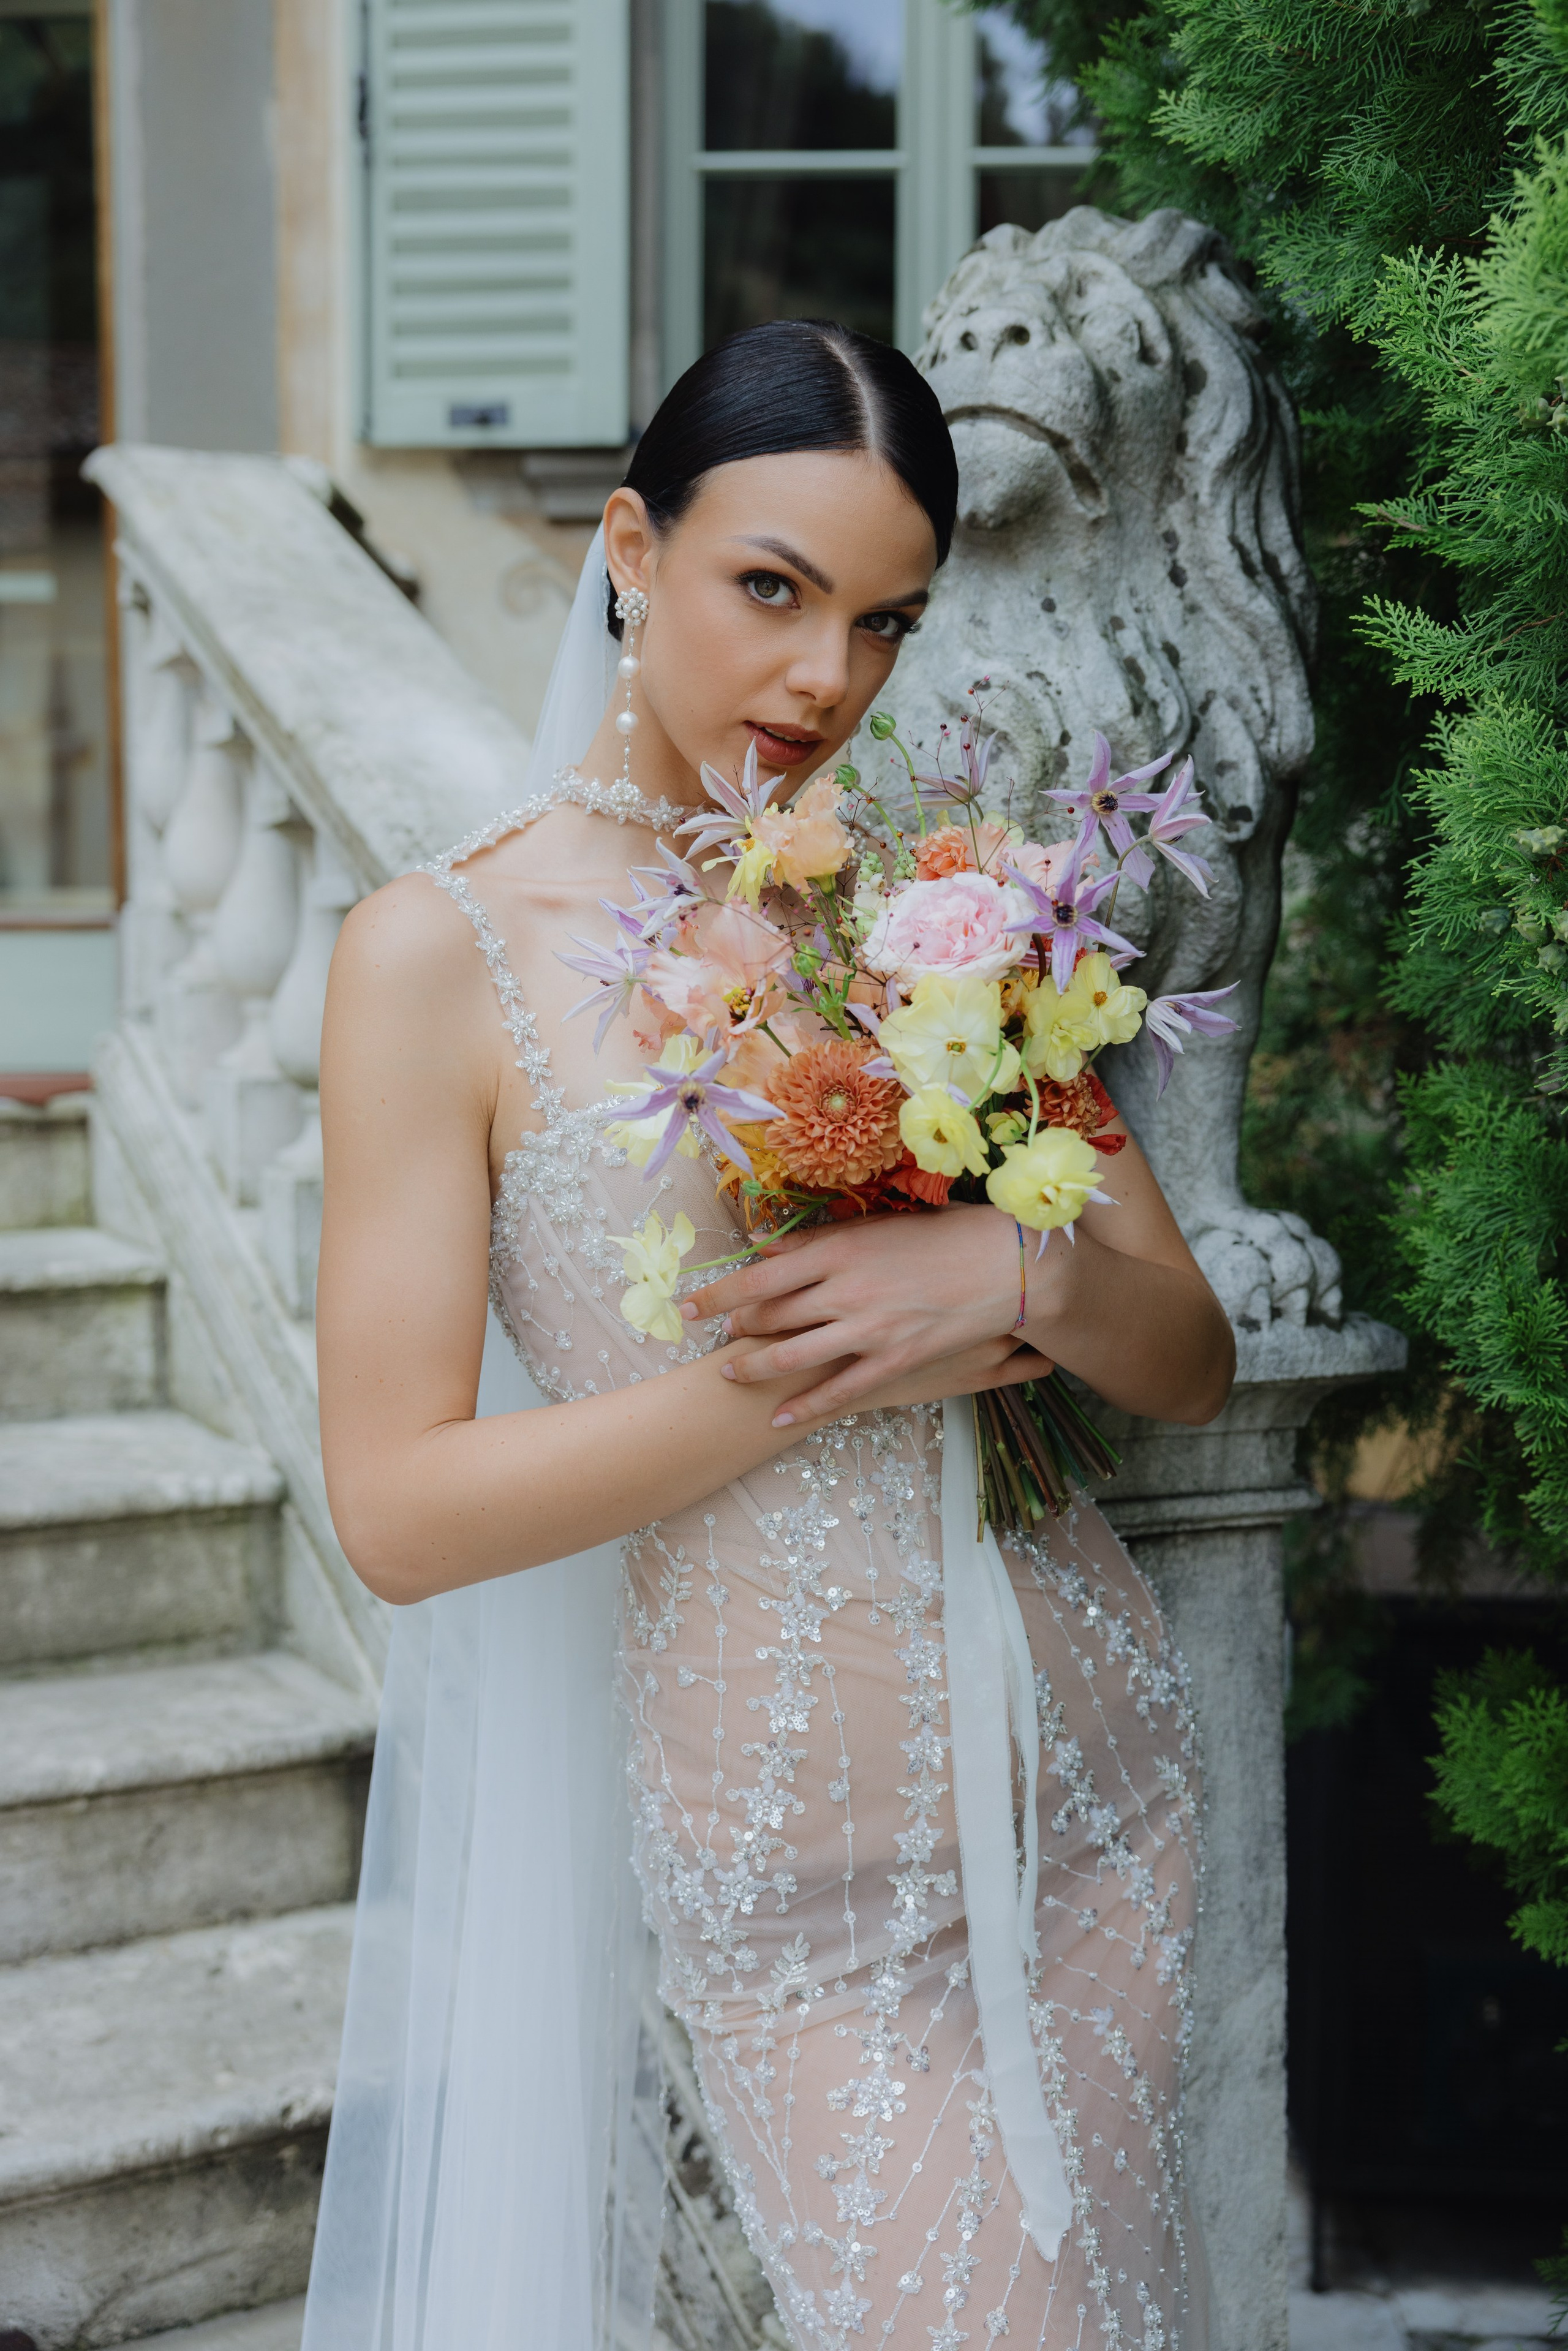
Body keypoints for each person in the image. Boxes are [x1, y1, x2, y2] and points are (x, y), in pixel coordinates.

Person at [304, 318, 1234, 2351]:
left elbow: (1186, 1355)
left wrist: (1021, 1276)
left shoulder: (935, 900)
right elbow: (397, 1508)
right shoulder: (430, 960)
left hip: (1099, 1791)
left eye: (885, 620)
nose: (828, 680)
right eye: (772, 590)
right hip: (804, 1881)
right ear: (631, 548)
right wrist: (791, 1364)